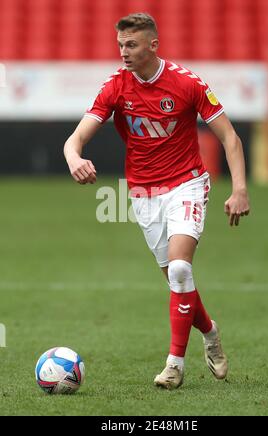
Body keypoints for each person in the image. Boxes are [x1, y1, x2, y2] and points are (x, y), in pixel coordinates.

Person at [64, 13, 250, 390]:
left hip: (187, 184)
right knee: (177, 282)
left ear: (153, 45)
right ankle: (210, 333)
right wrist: (74, 158)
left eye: (131, 45)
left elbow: (230, 137)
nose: (124, 53)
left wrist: (240, 189)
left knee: (181, 269)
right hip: (144, 193)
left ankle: (173, 366)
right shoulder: (115, 87)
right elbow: (74, 139)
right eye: (120, 45)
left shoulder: (186, 84)